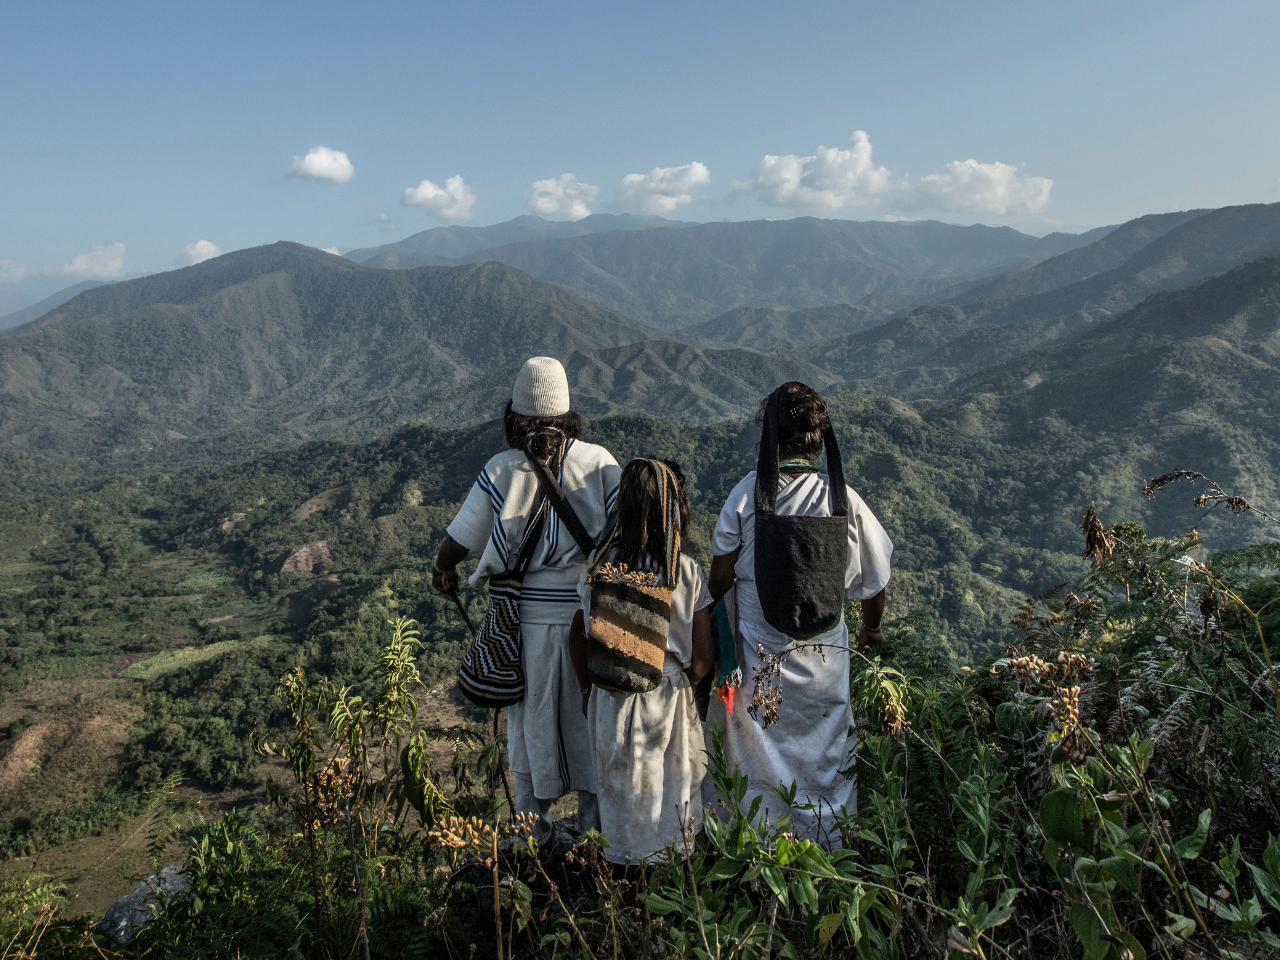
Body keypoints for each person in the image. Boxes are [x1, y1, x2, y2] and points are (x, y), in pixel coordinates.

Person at [432, 357, 620, 840]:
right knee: (588, 718)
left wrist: (442, 569)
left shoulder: (502, 469)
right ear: (568, 413)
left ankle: (530, 834)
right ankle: (591, 834)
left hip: (525, 622)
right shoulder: (600, 463)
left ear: (514, 415)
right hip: (589, 617)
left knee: (530, 721)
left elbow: (460, 539)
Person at [705, 381, 893, 847]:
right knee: (822, 759)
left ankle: (756, 852)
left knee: (754, 754)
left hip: (758, 655)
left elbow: (718, 580)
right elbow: (876, 579)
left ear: (769, 434)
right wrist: (871, 629)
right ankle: (827, 851)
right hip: (825, 661)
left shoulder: (747, 496)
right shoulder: (842, 500)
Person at [570, 459, 714, 863]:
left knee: (620, 801)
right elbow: (702, 659)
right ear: (675, 510)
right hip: (666, 698)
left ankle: (620, 882)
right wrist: (685, 680)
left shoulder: (598, 571)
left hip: (610, 697)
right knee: (671, 797)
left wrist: (587, 690)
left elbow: (579, 637)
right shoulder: (682, 572)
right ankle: (671, 893)